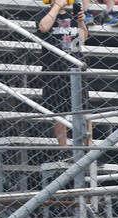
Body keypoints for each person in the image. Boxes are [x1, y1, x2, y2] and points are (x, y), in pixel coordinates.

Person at [36, 0, 91, 150]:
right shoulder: (45, 15)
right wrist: (56, 7)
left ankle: (88, 148)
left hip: (75, 66)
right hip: (54, 69)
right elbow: (43, 27)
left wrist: (81, 23)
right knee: (59, 111)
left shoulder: (73, 16)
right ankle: (65, 150)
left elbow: (82, 39)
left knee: (84, 108)